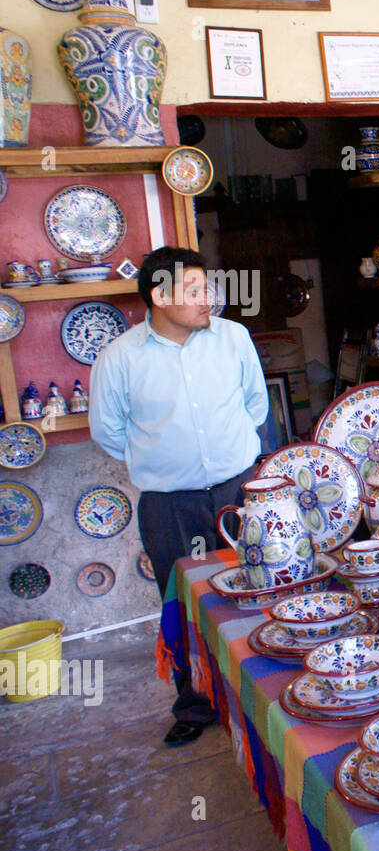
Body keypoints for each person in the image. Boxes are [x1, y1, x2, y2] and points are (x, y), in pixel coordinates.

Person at [89, 247, 269, 747]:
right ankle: (196, 703)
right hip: (170, 503)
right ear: (159, 297)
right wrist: (169, 459)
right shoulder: (120, 357)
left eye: (207, 286)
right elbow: (108, 433)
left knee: (259, 587)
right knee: (186, 604)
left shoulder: (233, 338)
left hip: (240, 489)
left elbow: (256, 403)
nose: (207, 297)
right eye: (194, 291)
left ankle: (266, 696)